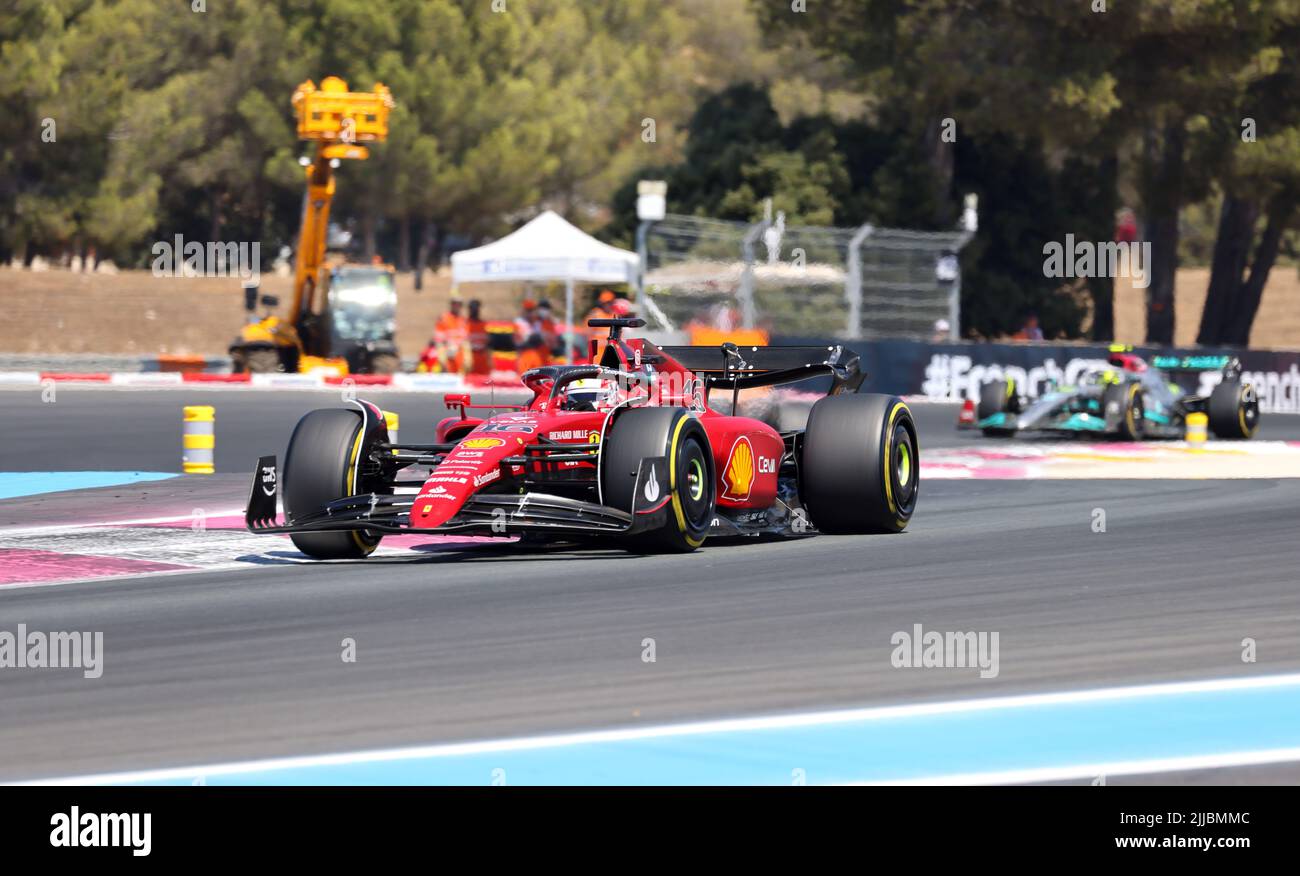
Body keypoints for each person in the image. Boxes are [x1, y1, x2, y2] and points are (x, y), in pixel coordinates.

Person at [465, 299, 491, 376]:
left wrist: (489, 359)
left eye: (477, 308)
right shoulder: (465, 324)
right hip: (470, 357)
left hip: (482, 357)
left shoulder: (483, 324)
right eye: (473, 308)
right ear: (469, 309)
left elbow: (488, 344)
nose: (475, 310)